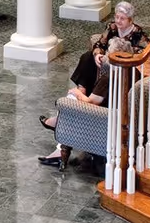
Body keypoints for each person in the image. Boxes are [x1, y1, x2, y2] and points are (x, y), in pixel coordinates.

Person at [38, 35, 116, 168]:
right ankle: (59, 144)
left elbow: (91, 103)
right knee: (87, 57)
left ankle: (59, 138)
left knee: (70, 102)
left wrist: (78, 94)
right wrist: (97, 54)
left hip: (101, 113)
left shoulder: (108, 78)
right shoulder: (129, 72)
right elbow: (97, 45)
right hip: (106, 106)